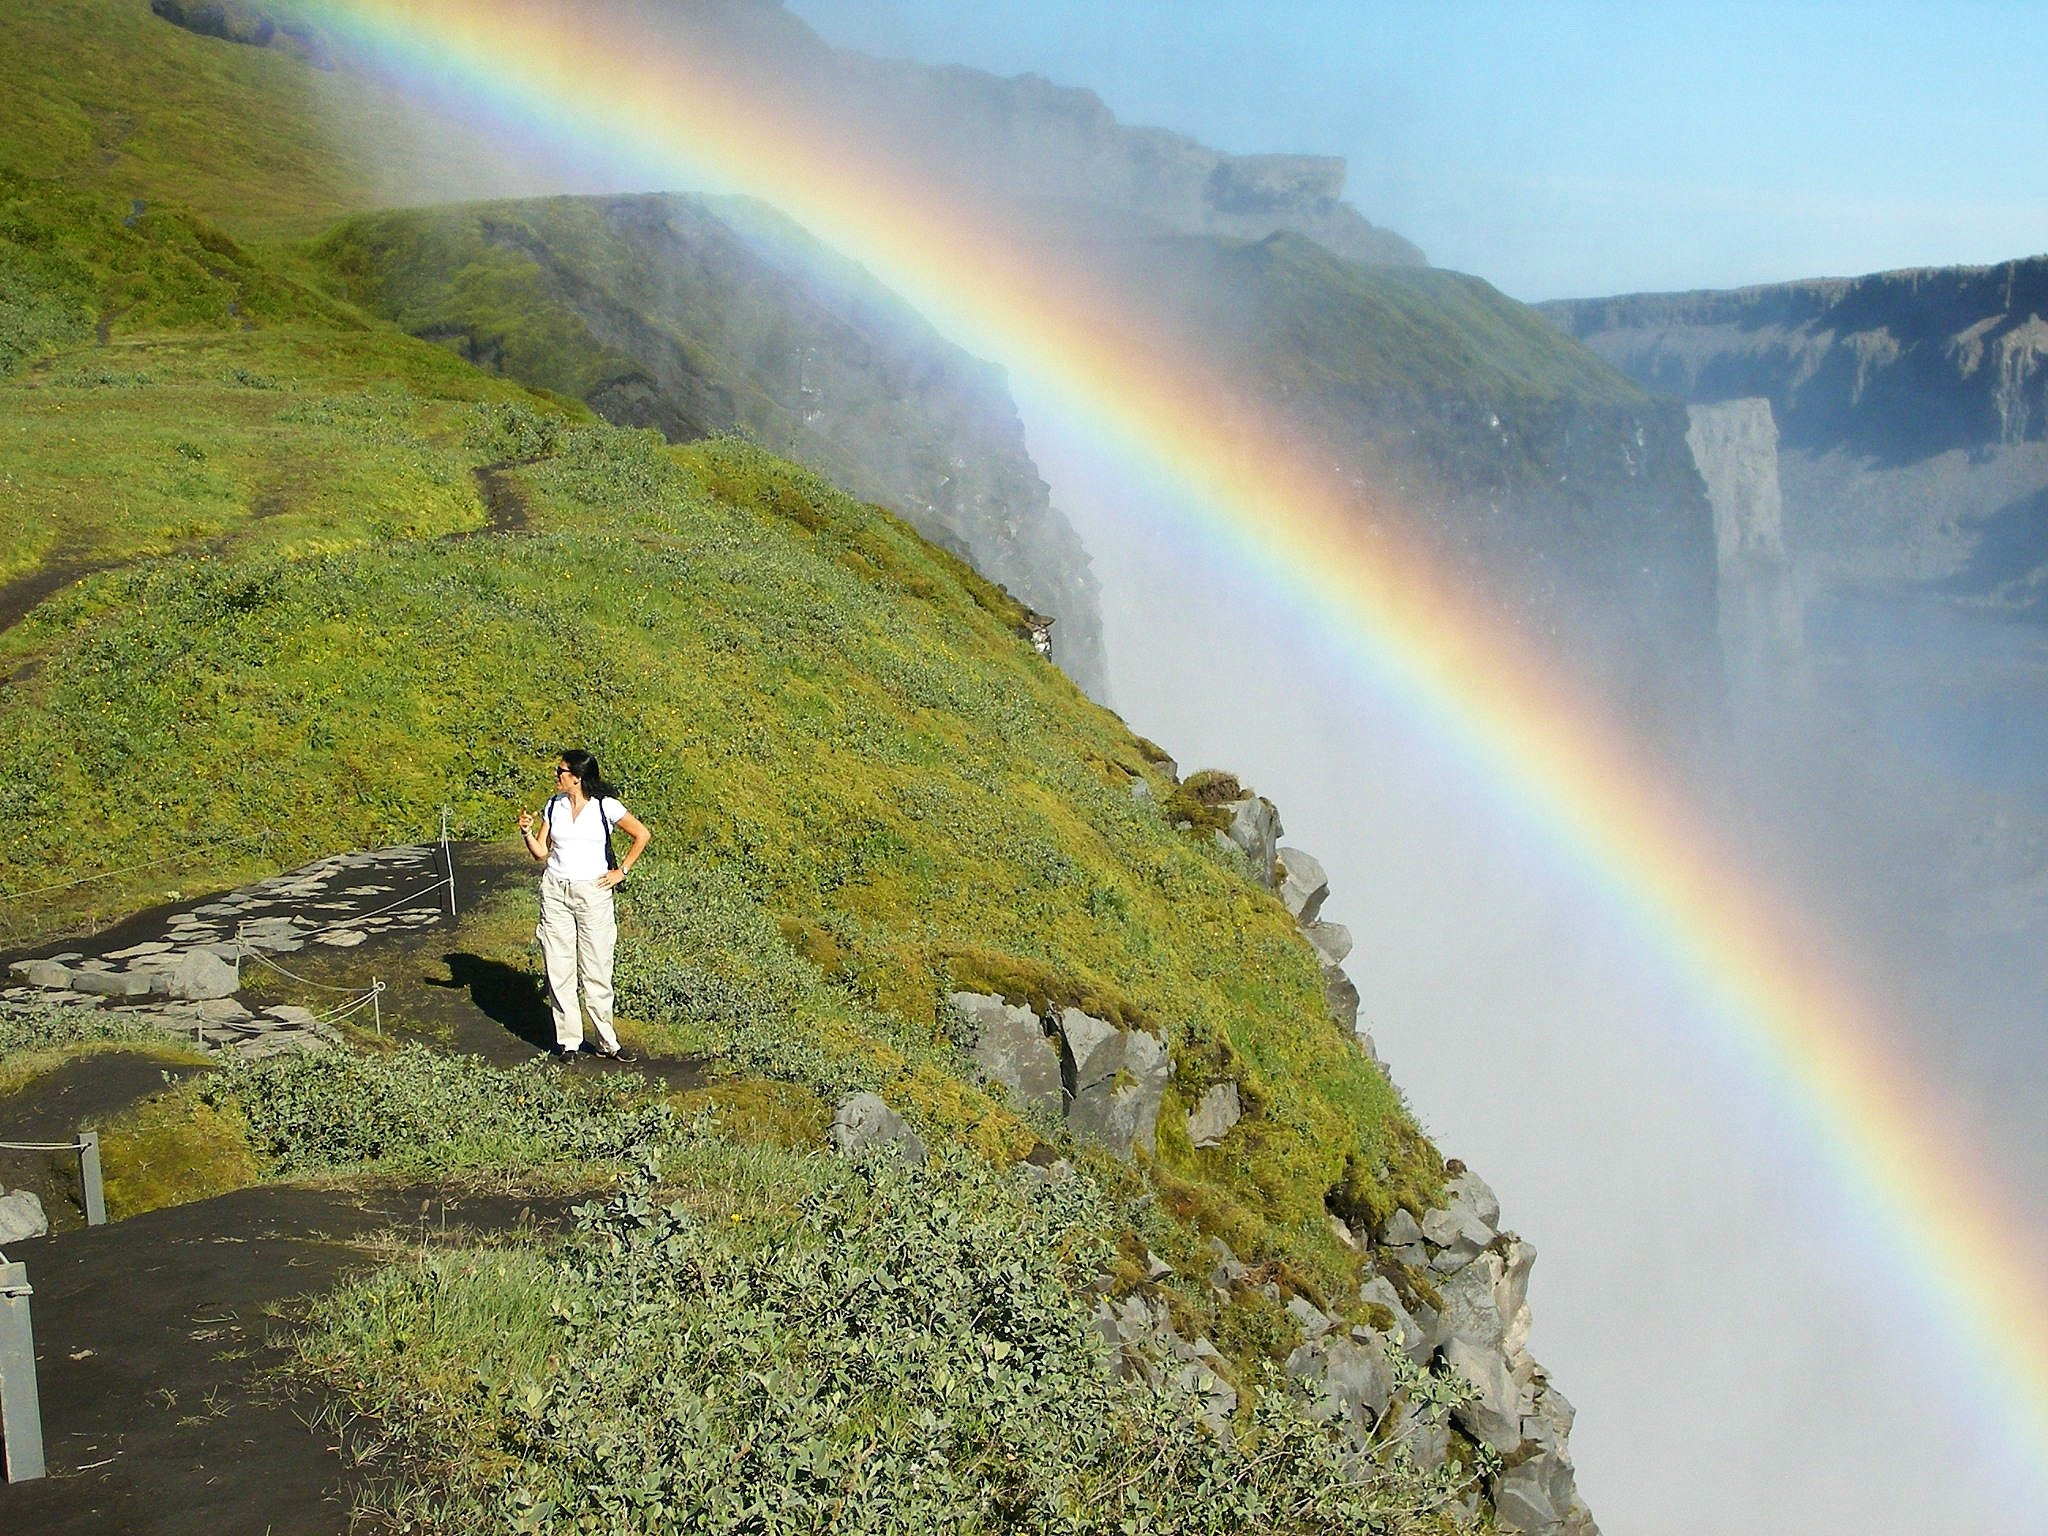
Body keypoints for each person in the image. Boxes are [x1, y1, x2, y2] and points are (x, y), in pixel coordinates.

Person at [517, 749, 650, 1062]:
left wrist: (622, 871)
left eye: (560, 771)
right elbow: (540, 852)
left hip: (592, 893)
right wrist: (525, 832)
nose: (556, 775)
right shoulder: (554, 806)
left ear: (577, 778)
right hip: (555, 890)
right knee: (558, 966)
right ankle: (569, 1043)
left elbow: (642, 834)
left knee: (597, 968)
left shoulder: (606, 806)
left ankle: (607, 1042)